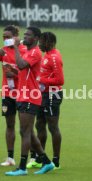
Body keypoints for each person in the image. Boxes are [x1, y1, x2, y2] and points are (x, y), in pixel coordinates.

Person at [5, 27, 55, 176]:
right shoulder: (27, 52)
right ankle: (47, 162)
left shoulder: (34, 52)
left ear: (36, 38)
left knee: (24, 132)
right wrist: (13, 72)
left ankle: (22, 167)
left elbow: (21, 64)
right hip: (23, 95)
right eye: (25, 34)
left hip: (30, 96)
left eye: (28, 35)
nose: (24, 37)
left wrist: (15, 48)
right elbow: (24, 72)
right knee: (29, 132)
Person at [0, 25, 26, 166]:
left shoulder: (23, 50)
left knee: (24, 127)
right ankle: (10, 158)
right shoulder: (4, 51)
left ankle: (31, 157)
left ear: (16, 36)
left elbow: (29, 74)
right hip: (7, 94)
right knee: (10, 125)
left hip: (22, 94)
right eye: (3, 37)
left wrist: (14, 74)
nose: (5, 39)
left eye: (8, 37)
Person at [26, 32, 64, 170]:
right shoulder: (47, 55)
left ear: (50, 43)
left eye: (42, 42)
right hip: (43, 95)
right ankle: (40, 158)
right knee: (39, 125)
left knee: (53, 127)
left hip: (52, 95)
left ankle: (56, 161)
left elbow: (60, 80)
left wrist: (41, 80)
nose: (39, 44)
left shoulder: (53, 57)